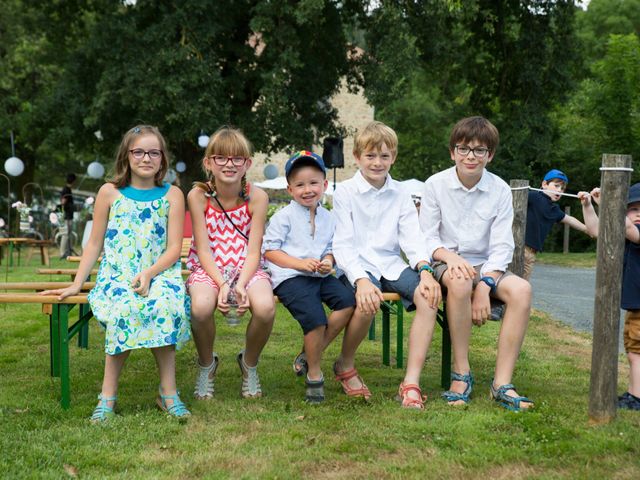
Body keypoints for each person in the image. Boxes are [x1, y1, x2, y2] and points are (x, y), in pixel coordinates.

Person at [41, 125, 191, 421]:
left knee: (164, 304)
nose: (145, 158)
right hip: (118, 275)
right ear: (126, 155)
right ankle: (107, 397)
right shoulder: (109, 192)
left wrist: (149, 274)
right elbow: (94, 243)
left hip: (160, 273)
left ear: (162, 159)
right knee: (124, 308)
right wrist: (77, 284)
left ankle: (168, 392)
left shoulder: (173, 194)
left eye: (153, 152)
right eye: (138, 151)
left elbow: (174, 248)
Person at [420, 116, 534, 411]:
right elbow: (427, 238)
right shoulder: (435, 185)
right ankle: (462, 374)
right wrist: (452, 258)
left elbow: (501, 246)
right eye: (463, 148)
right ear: (452, 152)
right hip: (446, 260)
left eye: (479, 150)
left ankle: (502, 383)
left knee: (521, 290)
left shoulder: (499, 190)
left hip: (486, 265)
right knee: (458, 280)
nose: (470, 156)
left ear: (490, 155)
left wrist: (485, 285)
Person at [333, 121, 441, 407]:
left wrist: (426, 271)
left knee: (429, 296)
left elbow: (412, 239)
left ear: (393, 157)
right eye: (370, 156)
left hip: (391, 263)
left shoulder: (402, 193)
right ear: (357, 157)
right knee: (369, 299)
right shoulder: (344, 192)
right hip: (357, 264)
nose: (377, 162)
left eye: (384, 156)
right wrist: (361, 279)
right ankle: (345, 364)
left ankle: (411, 383)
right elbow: (342, 244)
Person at [186, 126, 275, 400]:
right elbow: (203, 249)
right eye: (221, 158)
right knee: (200, 308)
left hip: (247, 267)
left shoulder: (257, 197)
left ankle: (248, 363)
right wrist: (223, 283)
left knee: (266, 308)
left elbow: (253, 250)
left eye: (237, 159)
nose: (229, 164)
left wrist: (243, 283)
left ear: (247, 163)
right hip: (209, 267)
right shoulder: (198, 196)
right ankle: (206, 364)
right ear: (208, 163)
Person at [263, 151, 356, 403]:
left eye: (313, 183)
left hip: (319, 275)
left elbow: (330, 249)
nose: (307, 190)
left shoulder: (329, 217)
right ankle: (314, 374)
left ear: (324, 185)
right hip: (291, 277)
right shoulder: (283, 216)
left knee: (348, 302)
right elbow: (270, 250)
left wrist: (327, 262)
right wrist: (300, 264)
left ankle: (310, 353)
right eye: (300, 185)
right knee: (315, 320)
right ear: (290, 189)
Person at [581, 183, 640, 411]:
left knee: (637, 352)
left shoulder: (635, 233)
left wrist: (608, 203)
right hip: (634, 307)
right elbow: (596, 230)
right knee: (634, 351)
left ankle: (636, 397)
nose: (638, 214)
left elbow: (627, 230)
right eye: (633, 209)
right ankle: (633, 394)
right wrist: (588, 206)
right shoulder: (627, 231)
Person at [523, 169, 590, 280]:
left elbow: (570, 220)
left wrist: (588, 230)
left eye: (562, 188)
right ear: (544, 184)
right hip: (519, 248)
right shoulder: (534, 197)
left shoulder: (554, 209)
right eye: (556, 186)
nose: (560, 190)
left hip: (531, 254)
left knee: (522, 286)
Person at [60, 173, 77, 259]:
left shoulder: (67, 189)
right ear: (73, 181)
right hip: (66, 215)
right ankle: (62, 253)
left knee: (68, 234)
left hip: (69, 215)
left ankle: (67, 251)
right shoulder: (66, 190)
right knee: (65, 234)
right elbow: (63, 201)